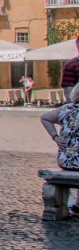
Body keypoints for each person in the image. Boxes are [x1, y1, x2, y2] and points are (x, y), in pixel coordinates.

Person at [41, 86, 79, 215]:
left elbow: (45, 117)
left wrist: (55, 137)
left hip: (65, 160)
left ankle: (76, 206)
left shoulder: (66, 109)